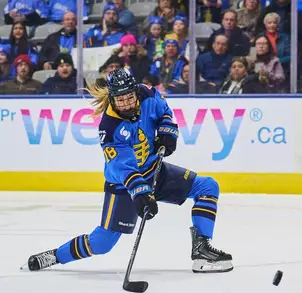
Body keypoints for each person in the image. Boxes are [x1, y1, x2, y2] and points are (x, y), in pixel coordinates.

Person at [26, 68, 233, 274]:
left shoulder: (148, 94)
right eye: (120, 100)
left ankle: (201, 250)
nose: (126, 103)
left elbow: (164, 112)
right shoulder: (109, 127)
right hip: (125, 186)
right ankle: (54, 256)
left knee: (207, 186)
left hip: (155, 171)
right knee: (102, 243)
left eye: (129, 97)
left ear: (135, 91)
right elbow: (123, 169)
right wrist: (141, 194)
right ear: (112, 99)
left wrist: (167, 131)